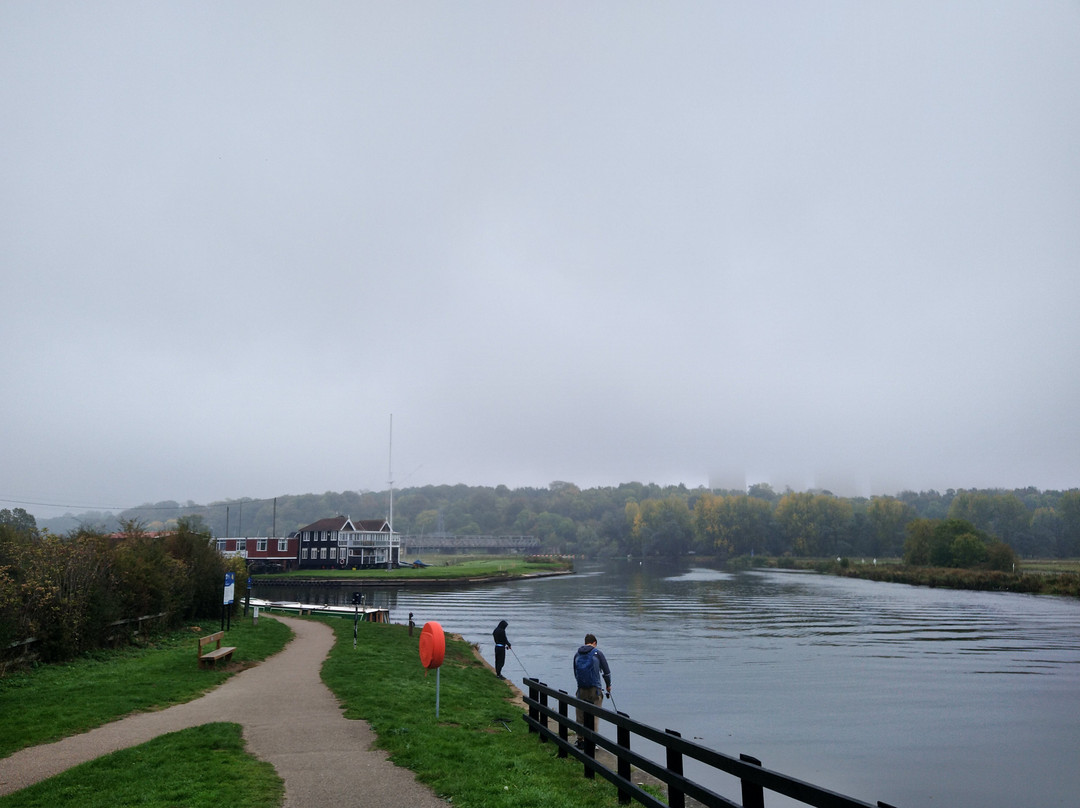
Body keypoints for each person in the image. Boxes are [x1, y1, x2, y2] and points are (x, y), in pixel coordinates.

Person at [573, 633, 611, 746]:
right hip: (595, 689)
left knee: (580, 715)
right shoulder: (597, 653)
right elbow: (607, 672)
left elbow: (575, 672)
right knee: (594, 715)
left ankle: (580, 740)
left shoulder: (577, 654)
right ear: (594, 643)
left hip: (581, 689)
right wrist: (608, 686)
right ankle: (592, 742)